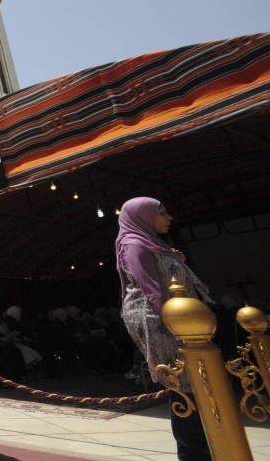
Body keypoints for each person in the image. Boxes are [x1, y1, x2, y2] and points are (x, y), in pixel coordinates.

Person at [116, 197, 213, 461]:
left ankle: (204, 446)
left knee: (196, 385)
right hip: (161, 324)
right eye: (162, 213)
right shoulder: (135, 245)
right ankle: (192, 453)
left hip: (177, 321)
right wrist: (176, 324)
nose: (168, 218)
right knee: (183, 387)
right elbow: (152, 290)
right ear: (144, 216)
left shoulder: (153, 244)